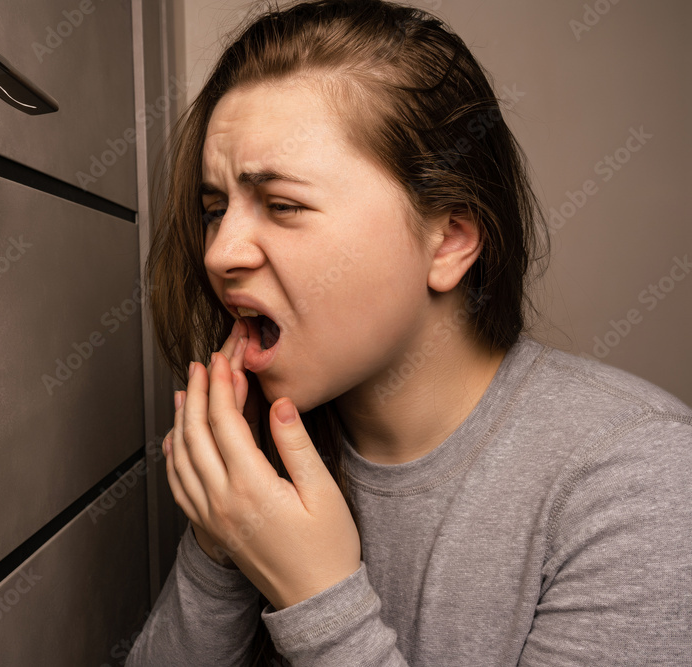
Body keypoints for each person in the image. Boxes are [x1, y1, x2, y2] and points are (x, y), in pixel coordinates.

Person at [127, 1, 692, 664]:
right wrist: (221, 535)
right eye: (214, 209)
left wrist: (319, 600)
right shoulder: (258, 459)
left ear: (448, 240)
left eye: (282, 205)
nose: (221, 252)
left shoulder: (642, 479)